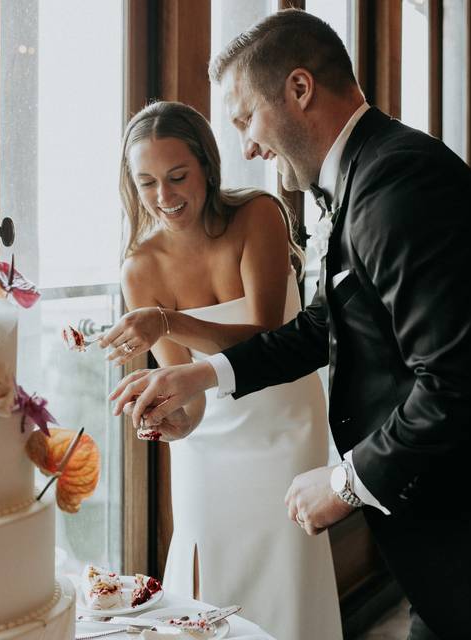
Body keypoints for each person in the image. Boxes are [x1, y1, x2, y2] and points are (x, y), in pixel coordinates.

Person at [111, 9, 471, 639]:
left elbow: (457, 383)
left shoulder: (401, 187)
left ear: (299, 90)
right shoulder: (372, 175)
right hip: (464, 522)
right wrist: (203, 375)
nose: (248, 148)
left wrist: (347, 483)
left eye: (245, 120)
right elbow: (326, 324)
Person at [99, 100, 342, 640]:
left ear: (207, 167)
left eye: (178, 176)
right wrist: (178, 422)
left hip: (284, 422)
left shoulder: (258, 214)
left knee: (287, 566)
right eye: (147, 184)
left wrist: (165, 320)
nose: (165, 197)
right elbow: (193, 395)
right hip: (209, 445)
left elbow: (263, 334)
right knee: (208, 566)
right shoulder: (139, 268)